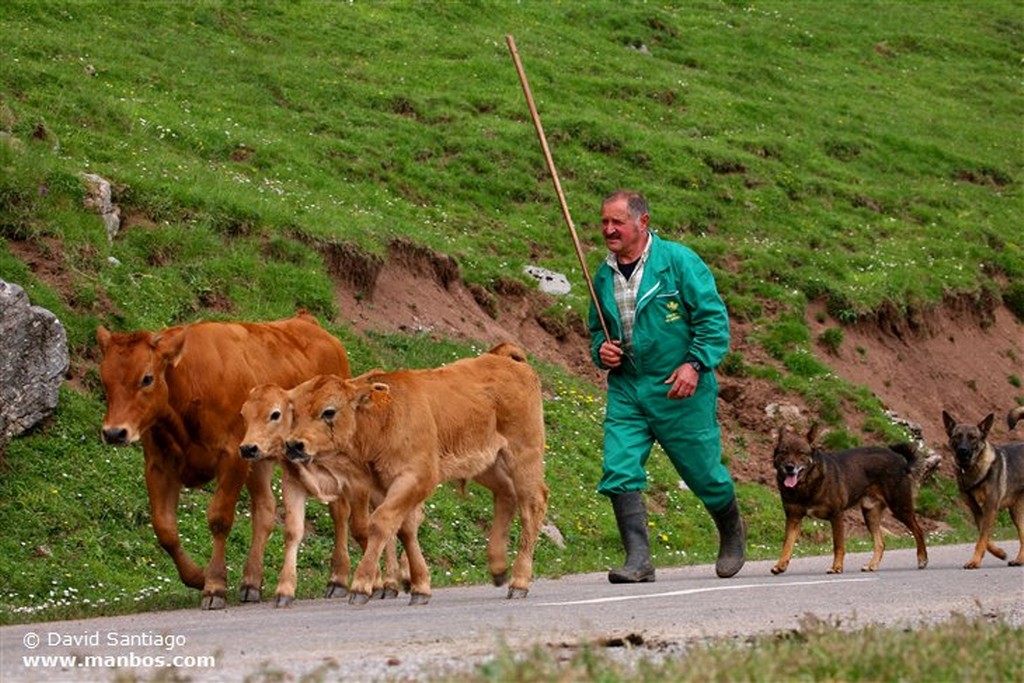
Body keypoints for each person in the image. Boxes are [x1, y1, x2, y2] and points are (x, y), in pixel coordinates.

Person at [588, 189, 746, 582]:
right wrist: (602, 351)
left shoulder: (678, 262)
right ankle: (638, 560)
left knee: (703, 472)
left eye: (617, 222)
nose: (609, 229)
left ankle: (731, 532)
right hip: (628, 387)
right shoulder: (603, 275)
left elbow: (713, 320)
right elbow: (596, 331)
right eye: (605, 222)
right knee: (618, 466)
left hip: (680, 386)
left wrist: (694, 365)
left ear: (642, 222)